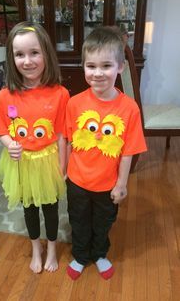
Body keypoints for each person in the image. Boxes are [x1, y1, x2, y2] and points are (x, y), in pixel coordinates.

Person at [65, 26, 147, 280]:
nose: (98, 73)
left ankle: (99, 254)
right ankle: (80, 255)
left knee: (103, 222)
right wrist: (64, 171)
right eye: (91, 66)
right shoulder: (74, 103)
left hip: (107, 184)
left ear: (120, 67)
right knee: (78, 220)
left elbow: (128, 151)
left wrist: (121, 184)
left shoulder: (129, 108)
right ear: (83, 67)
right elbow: (68, 140)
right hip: (77, 180)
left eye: (106, 66)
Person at [0, 21, 70, 274]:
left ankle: (50, 248)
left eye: (34, 52)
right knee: (29, 208)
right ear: (11, 57)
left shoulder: (60, 94)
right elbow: (1, 129)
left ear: (46, 53)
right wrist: (9, 144)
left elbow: (61, 134)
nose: (27, 61)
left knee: (50, 208)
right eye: (19, 54)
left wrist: (62, 166)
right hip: (21, 162)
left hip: (48, 161)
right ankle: (35, 247)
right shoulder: (5, 95)